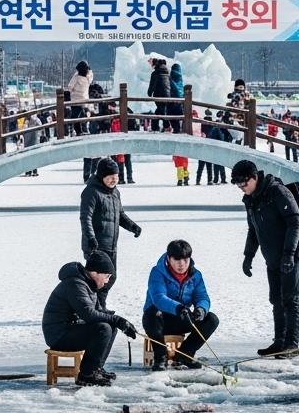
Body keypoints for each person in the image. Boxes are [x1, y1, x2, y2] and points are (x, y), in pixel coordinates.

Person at [233, 159, 299, 358]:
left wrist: (289, 254)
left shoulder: (277, 192)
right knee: (276, 299)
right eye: (238, 185)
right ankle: (279, 342)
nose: (242, 188)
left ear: (255, 177)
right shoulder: (251, 199)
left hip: (293, 254)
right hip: (272, 256)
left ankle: (291, 345)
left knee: (290, 299)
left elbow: (295, 221)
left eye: (244, 183)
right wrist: (248, 256)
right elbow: (253, 229)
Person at [41, 251, 137, 387]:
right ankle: (87, 374)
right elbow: (88, 314)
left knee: (111, 327)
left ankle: (96, 368)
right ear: (95, 272)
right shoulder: (76, 284)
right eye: (107, 276)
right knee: (103, 328)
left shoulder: (88, 285)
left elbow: (97, 312)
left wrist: (121, 322)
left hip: (71, 329)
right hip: (58, 334)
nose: (107, 280)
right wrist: (116, 319)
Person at [142, 240, 218, 371]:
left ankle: (185, 355)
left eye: (185, 260)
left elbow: (202, 297)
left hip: (182, 318)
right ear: (169, 258)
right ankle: (160, 357)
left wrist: (201, 309)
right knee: (152, 313)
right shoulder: (157, 272)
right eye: (177, 259)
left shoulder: (196, 275)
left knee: (211, 319)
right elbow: (158, 298)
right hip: (160, 321)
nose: (181, 264)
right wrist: (179, 308)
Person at [79, 157, 142, 307]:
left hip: (111, 244)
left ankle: (98, 304)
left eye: (116, 176)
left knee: (111, 277)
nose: (114, 180)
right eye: (110, 177)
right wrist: (91, 238)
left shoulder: (115, 193)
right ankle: (91, 306)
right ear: (102, 176)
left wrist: (132, 226)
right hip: (96, 246)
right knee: (96, 279)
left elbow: (119, 215)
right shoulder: (91, 192)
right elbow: (85, 217)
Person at [67, 61, 92, 136]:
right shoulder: (88, 78)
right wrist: (90, 70)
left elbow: (70, 86)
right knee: (82, 115)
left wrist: (69, 93)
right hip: (84, 99)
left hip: (75, 100)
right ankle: (83, 130)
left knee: (75, 117)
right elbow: (91, 76)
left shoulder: (76, 77)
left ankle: (78, 131)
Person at [148, 58, 172, 132]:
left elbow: (152, 85)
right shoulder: (167, 72)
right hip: (167, 95)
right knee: (159, 111)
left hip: (159, 95)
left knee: (161, 111)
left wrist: (149, 93)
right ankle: (155, 128)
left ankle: (167, 127)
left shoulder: (155, 73)